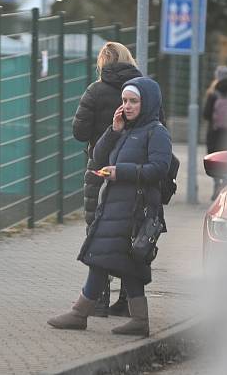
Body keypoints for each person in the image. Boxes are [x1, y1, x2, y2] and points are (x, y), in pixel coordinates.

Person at [48, 77, 172, 337]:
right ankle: (139, 320)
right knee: (126, 263)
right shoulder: (126, 130)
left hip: (135, 210)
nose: (127, 106)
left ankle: (80, 313)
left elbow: (159, 169)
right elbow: (98, 158)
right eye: (124, 101)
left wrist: (120, 173)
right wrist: (113, 130)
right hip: (116, 207)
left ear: (147, 102)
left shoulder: (156, 132)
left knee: (103, 258)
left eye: (133, 101)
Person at [71, 42, 142, 318]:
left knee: (98, 232)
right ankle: (127, 300)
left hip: (99, 169)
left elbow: (79, 131)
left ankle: (99, 299)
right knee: (129, 233)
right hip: (132, 169)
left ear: (102, 63)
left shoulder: (95, 90)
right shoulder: (142, 91)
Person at [202, 65, 227, 200]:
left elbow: (206, 114)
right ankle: (225, 185)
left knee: (215, 160)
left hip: (215, 133)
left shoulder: (213, 93)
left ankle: (216, 184)